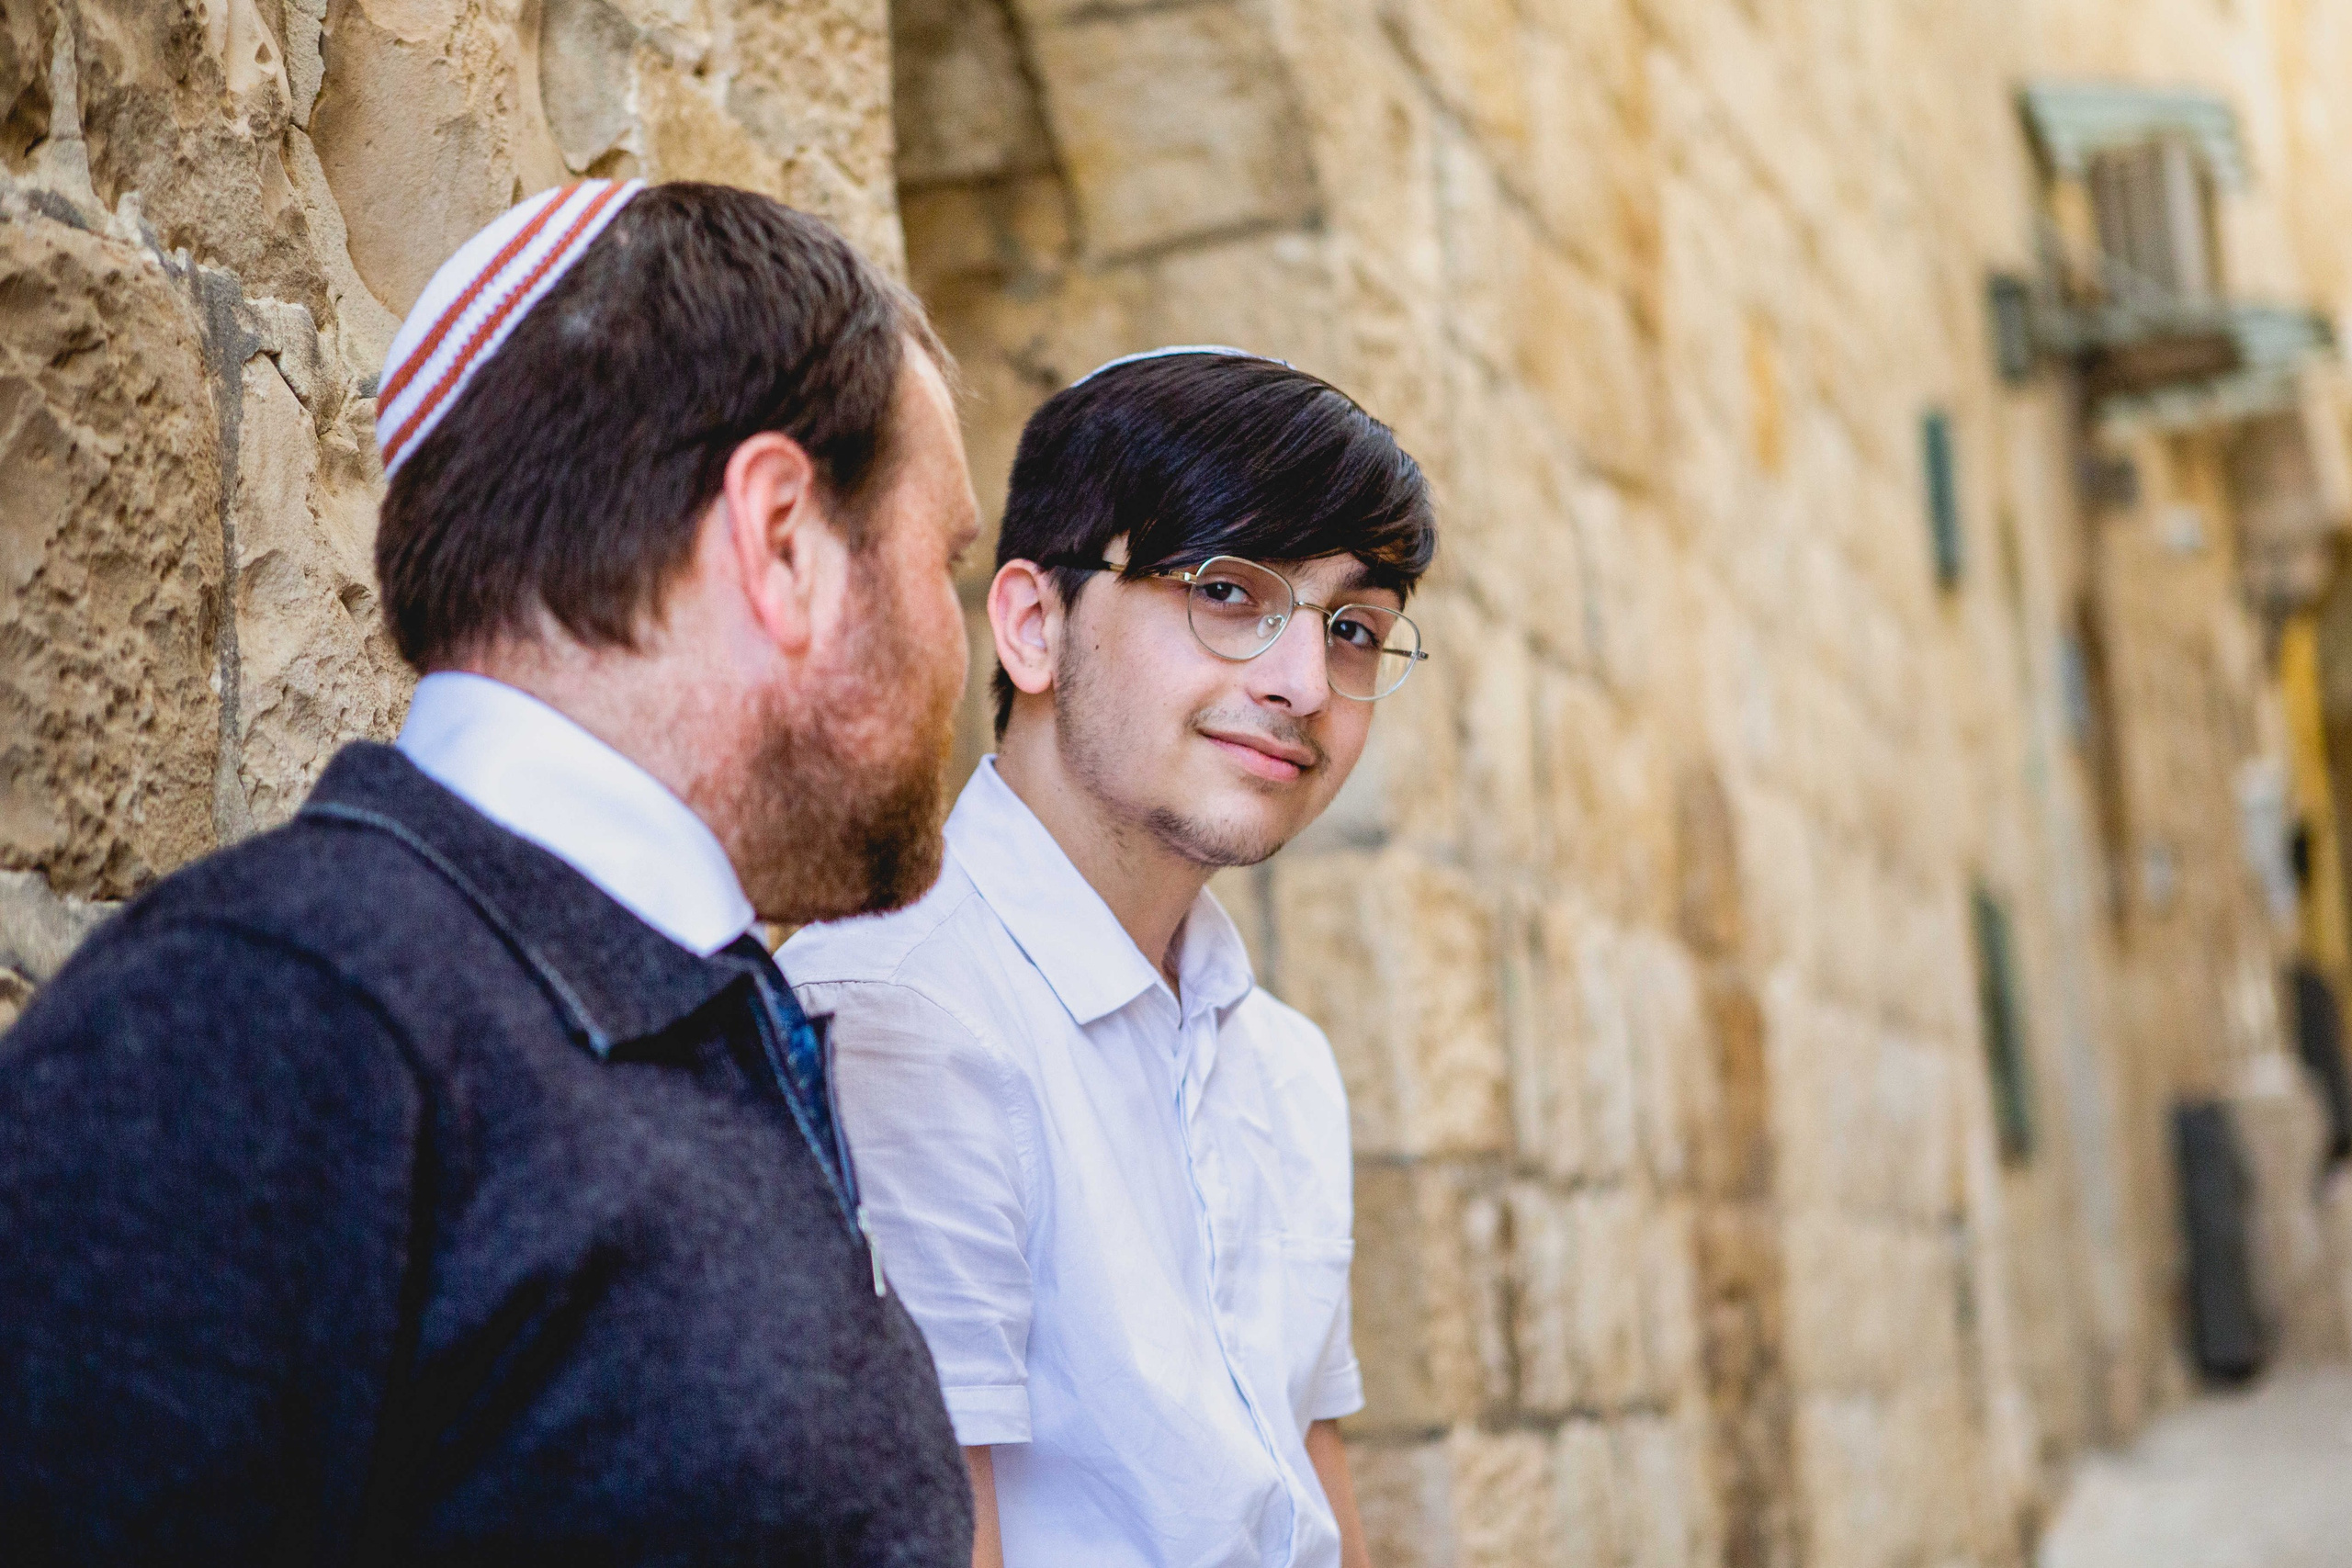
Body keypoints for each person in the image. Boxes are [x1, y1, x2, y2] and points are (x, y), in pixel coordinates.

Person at [0, 181, 979, 1562]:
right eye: (944, 560)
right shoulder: (261, 1020)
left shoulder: (676, 1008)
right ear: (780, 542)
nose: (958, 646)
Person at [784, 346, 1438, 1568]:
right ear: (1035, 626)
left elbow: (1313, 1496)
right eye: (1228, 592)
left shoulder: (1285, 1065)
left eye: (1353, 629)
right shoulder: (901, 1015)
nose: (1305, 684)